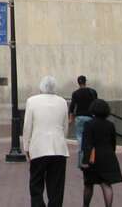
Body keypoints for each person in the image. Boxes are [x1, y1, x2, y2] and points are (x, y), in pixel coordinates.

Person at [23, 76, 69, 207]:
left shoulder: (32, 101)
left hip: (38, 147)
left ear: (41, 87)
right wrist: (62, 140)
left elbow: (28, 126)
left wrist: (26, 146)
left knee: (36, 183)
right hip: (58, 147)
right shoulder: (62, 102)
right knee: (56, 186)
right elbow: (65, 126)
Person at [81, 99, 122, 207]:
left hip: (93, 157)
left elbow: (86, 144)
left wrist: (85, 160)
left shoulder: (89, 124)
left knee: (89, 184)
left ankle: (86, 206)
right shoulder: (110, 125)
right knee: (106, 184)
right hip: (108, 155)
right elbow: (113, 142)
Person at [68, 75, 98, 168]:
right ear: (86, 82)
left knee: (80, 138)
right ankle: (91, 159)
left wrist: (71, 119)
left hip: (79, 117)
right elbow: (96, 104)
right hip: (90, 117)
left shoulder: (75, 93)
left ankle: (81, 162)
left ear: (78, 82)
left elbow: (72, 107)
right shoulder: (92, 92)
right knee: (91, 138)